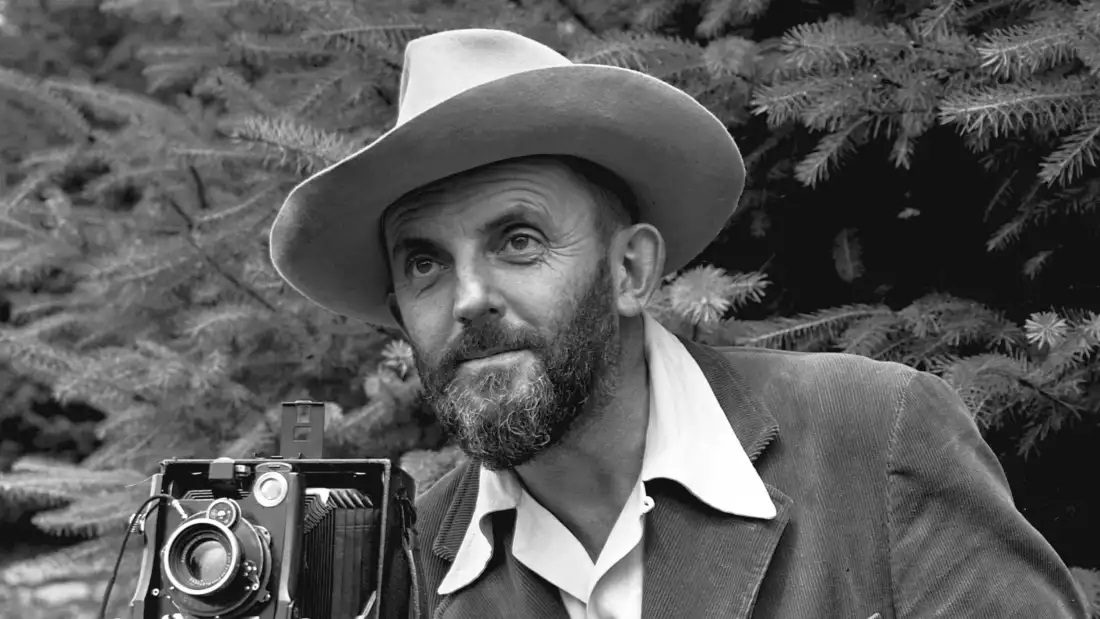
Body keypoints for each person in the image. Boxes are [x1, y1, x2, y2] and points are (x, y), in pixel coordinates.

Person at [269, 28, 1086, 619]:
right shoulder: (404, 572)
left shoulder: (876, 438)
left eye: (518, 240)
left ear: (631, 270)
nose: (468, 297)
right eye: (424, 263)